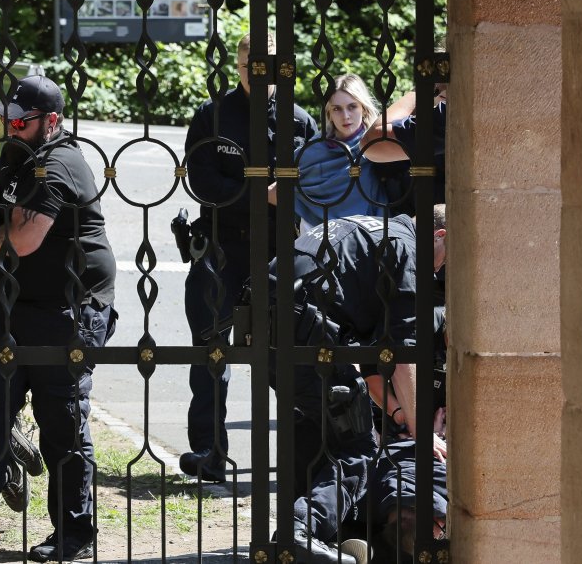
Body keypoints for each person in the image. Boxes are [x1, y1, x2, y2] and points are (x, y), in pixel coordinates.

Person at [0, 75, 118, 562]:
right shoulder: (17, 156)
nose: (10, 127)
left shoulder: (60, 164)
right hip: (11, 303)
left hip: (67, 309)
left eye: (21, 121)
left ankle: (73, 535)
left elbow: (23, 241)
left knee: (63, 425)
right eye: (5, 119)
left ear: (51, 121)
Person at [270, 205, 450, 561]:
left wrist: (398, 414)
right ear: (440, 236)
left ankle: (308, 539)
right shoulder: (406, 249)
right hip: (307, 331)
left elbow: (373, 352)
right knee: (359, 446)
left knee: (317, 427)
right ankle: (298, 533)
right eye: (444, 261)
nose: (439, 271)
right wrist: (422, 432)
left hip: (270, 321)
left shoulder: (376, 232)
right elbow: (401, 355)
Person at [181, 33, 319, 482]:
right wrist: (262, 194)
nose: (257, 76)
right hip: (223, 248)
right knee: (211, 352)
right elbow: (201, 181)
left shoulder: (300, 121)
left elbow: (317, 182)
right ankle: (209, 453)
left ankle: (301, 458)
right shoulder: (213, 115)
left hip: (281, 253)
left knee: (290, 353)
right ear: (238, 66)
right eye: (249, 66)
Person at [289, 74, 391, 230]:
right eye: (337, 109)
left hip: (366, 233)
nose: (346, 116)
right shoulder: (311, 149)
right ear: (329, 112)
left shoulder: (376, 145)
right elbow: (284, 188)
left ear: (363, 108)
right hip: (314, 232)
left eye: (352, 106)